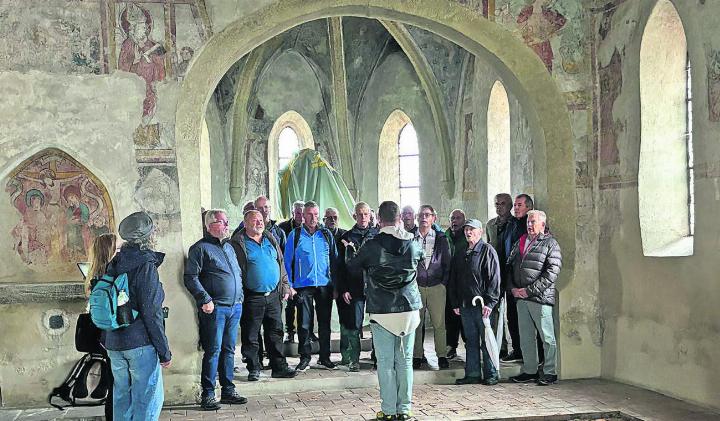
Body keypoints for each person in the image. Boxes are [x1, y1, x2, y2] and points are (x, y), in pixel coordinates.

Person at [346, 201, 423, 421]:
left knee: (386, 363)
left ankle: (389, 411)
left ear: (378, 219)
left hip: (382, 310)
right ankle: (405, 410)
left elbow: (353, 266)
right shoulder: (414, 243)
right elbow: (418, 264)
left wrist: (351, 251)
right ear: (400, 218)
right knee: (405, 361)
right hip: (409, 309)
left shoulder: (372, 245)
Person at [105, 212, 171, 420]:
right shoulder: (145, 265)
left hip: (114, 342)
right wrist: (164, 351)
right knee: (147, 402)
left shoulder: (115, 262)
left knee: (122, 400)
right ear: (148, 236)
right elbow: (151, 312)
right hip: (139, 343)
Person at [184, 209, 246, 410]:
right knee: (213, 351)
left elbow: (236, 273)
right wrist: (205, 299)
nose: (227, 225)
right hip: (215, 308)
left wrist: (240, 297)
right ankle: (208, 394)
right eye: (223, 222)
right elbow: (190, 277)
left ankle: (228, 390)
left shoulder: (228, 247)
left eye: (227, 221)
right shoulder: (200, 249)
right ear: (210, 225)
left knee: (229, 350)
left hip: (234, 306)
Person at [230, 210, 297, 381]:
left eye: (261, 220)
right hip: (252, 297)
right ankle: (254, 367)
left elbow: (280, 263)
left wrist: (285, 286)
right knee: (251, 334)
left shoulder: (269, 238)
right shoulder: (238, 243)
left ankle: (279, 366)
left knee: (275, 332)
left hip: (273, 295)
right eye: (254, 220)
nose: (259, 223)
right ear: (245, 223)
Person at [508, 210, 561, 386]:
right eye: (528, 222)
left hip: (540, 298)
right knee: (526, 336)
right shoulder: (521, 241)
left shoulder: (550, 244)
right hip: (521, 298)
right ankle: (530, 370)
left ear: (543, 225)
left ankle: (550, 371)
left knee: (547, 337)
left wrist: (529, 290)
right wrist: (513, 288)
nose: (529, 225)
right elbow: (509, 265)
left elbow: (551, 273)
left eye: (533, 222)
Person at [284, 201, 338, 371]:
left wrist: (335, 285)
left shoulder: (326, 234)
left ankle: (324, 357)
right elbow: (286, 262)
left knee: (324, 323)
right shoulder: (295, 235)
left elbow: (334, 261)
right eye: (309, 214)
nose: (313, 217)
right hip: (303, 285)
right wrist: (289, 285)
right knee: (304, 323)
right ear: (303, 215)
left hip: (324, 284)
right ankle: (305, 357)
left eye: (315, 214)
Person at [449, 219, 501, 385]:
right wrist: (455, 302)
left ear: (480, 232)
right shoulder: (461, 252)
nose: (468, 232)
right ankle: (472, 374)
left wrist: (490, 302)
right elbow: (453, 279)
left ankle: (491, 373)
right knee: (470, 341)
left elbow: (494, 279)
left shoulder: (487, 251)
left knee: (486, 341)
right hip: (465, 305)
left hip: (482, 306)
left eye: (472, 229)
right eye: (466, 229)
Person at [336, 202, 377, 372]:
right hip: (354, 288)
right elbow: (340, 266)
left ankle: (378, 357)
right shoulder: (346, 237)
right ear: (354, 216)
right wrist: (343, 288)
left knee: (378, 323)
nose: (363, 217)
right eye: (359, 214)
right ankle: (354, 359)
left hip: (375, 288)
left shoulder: (378, 235)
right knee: (354, 325)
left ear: (370, 215)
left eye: (366, 214)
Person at [412, 205, 451, 370]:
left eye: (427, 215)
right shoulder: (410, 238)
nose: (424, 218)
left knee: (439, 323)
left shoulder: (441, 238)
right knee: (416, 324)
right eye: (421, 214)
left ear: (433, 218)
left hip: (437, 286)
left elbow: (447, 263)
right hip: (416, 287)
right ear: (416, 217)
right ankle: (416, 355)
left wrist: (443, 284)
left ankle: (441, 355)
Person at [86, 233, 118, 421]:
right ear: (110, 251)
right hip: (113, 334)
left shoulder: (94, 276)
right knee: (117, 384)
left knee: (111, 381)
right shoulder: (111, 276)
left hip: (101, 335)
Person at [501, 193, 534, 363]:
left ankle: (533, 354)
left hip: (524, 280)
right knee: (512, 316)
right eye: (515, 205)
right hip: (510, 277)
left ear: (529, 207)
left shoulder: (528, 226)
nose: (516, 208)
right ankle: (517, 349)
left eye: (520, 205)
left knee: (525, 319)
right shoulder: (511, 224)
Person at [486, 193, 513, 358]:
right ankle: (499, 345)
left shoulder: (515, 224)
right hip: (495, 274)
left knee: (511, 313)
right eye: (497, 203)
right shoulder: (490, 225)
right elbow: (489, 248)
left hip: (511, 273)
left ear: (509, 206)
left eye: (503, 203)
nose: (499, 206)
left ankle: (515, 347)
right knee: (494, 310)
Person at [279, 200, 305, 343]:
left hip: (304, 274)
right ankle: (290, 332)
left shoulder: (310, 228)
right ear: (293, 213)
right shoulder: (283, 228)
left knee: (306, 305)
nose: (300, 216)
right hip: (289, 271)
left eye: (303, 213)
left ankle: (306, 332)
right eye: (298, 213)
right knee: (291, 304)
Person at [444, 209, 467, 360]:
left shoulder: (467, 236)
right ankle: (451, 346)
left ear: (464, 221)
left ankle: (470, 346)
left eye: (458, 218)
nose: (455, 221)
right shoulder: (444, 236)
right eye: (453, 218)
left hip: (464, 283)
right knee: (450, 316)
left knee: (464, 317)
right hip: (447, 282)